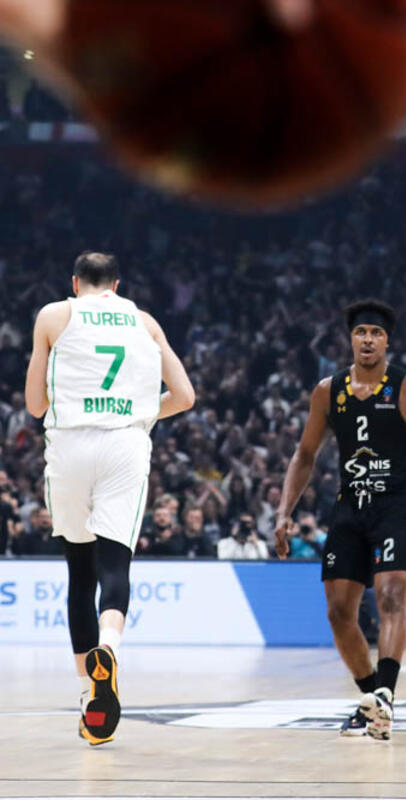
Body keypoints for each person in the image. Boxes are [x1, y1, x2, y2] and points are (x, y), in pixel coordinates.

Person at [273, 298, 406, 740]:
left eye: (376, 333)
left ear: (387, 342)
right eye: (361, 332)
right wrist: (284, 511)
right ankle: (372, 700)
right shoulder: (328, 391)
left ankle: (385, 693)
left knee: (390, 597)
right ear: (351, 339)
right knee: (338, 612)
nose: (368, 340)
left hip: (396, 506)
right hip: (350, 507)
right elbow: (304, 455)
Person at [22, 251, 194, 746]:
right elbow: (185, 397)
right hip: (124, 444)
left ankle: (87, 696)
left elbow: (35, 404)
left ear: (75, 283)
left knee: (80, 574)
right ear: (117, 286)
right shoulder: (145, 322)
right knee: (115, 564)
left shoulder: (54, 314)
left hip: (71, 445)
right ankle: (110, 648)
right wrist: (139, 414)